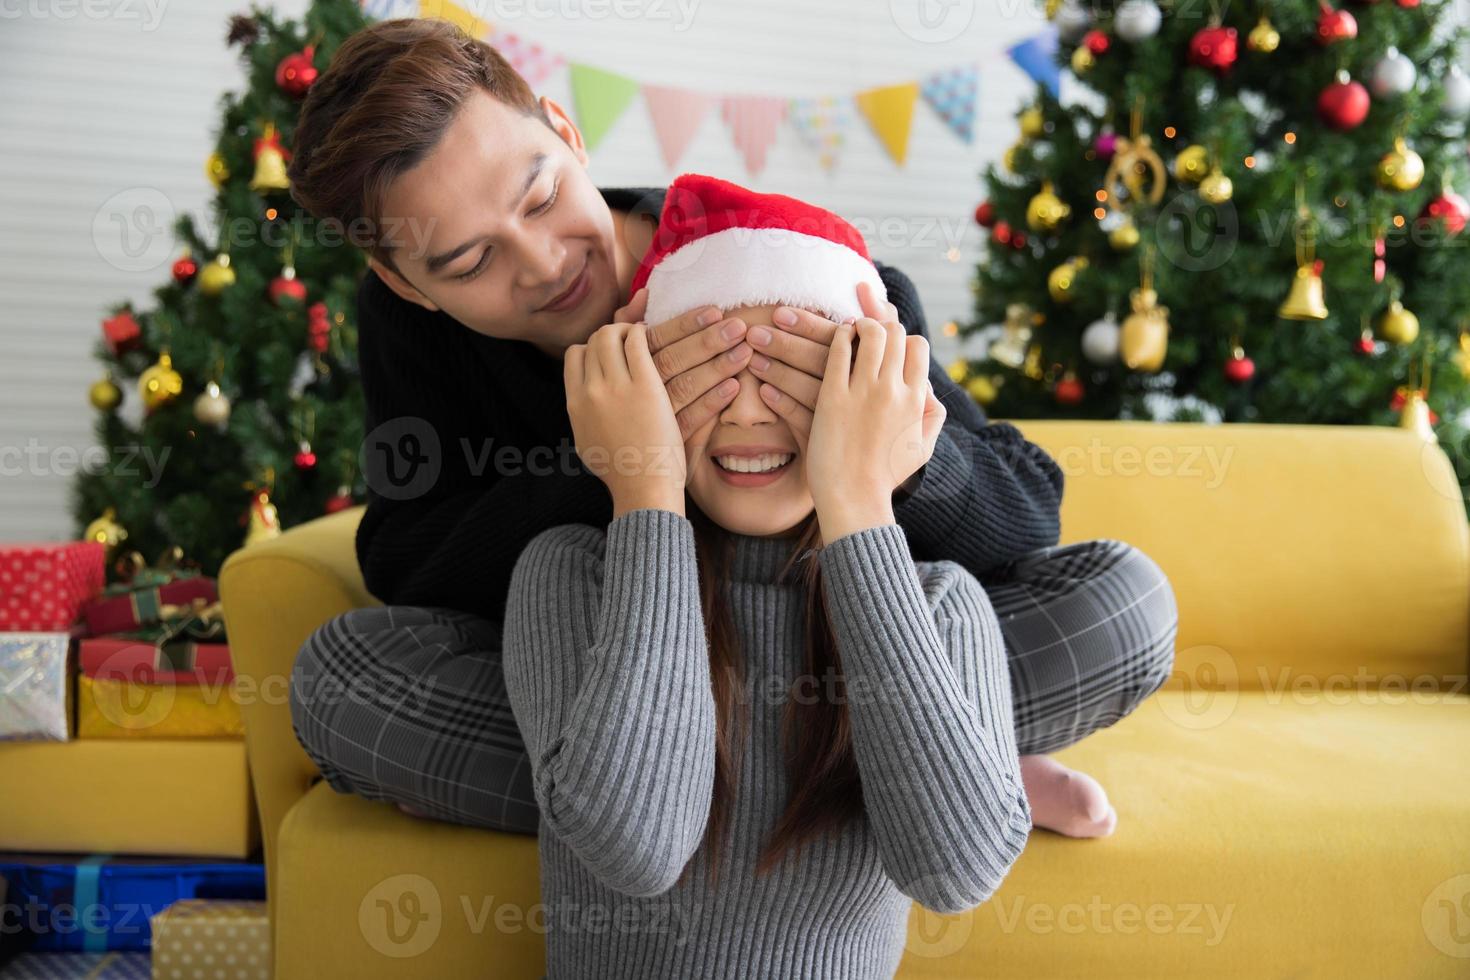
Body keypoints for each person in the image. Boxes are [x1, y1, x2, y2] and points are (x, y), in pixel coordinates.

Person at [284, 18, 1178, 843]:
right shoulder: (418, 328)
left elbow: (1029, 522)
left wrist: (897, 455)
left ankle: (639, 803)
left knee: (1123, 611)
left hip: (850, 674)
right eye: (471, 261)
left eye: (543, 195)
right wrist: (617, 460)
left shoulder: (778, 261)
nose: (543, 264)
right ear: (407, 283)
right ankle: (929, 774)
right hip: (625, 687)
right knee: (340, 683)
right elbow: (406, 559)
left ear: (566, 128)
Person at [501, 173, 1032, 977]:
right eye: (713, 376)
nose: (748, 416)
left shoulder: (941, 604)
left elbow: (955, 872)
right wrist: (644, 485)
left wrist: (858, 498)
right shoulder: (571, 576)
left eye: (794, 377)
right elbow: (638, 847)